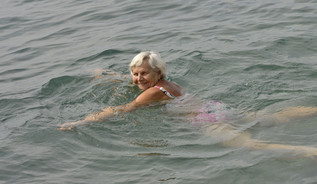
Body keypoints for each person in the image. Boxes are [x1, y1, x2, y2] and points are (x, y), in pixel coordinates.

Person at [59, 51, 317, 158]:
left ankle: (308, 152)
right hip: (216, 108)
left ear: (157, 74)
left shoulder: (151, 94)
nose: (138, 78)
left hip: (205, 121)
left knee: (249, 145)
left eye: (143, 74)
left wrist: (82, 121)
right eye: (134, 73)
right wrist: (104, 75)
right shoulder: (168, 85)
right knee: (272, 117)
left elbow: (120, 109)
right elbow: (134, 81)